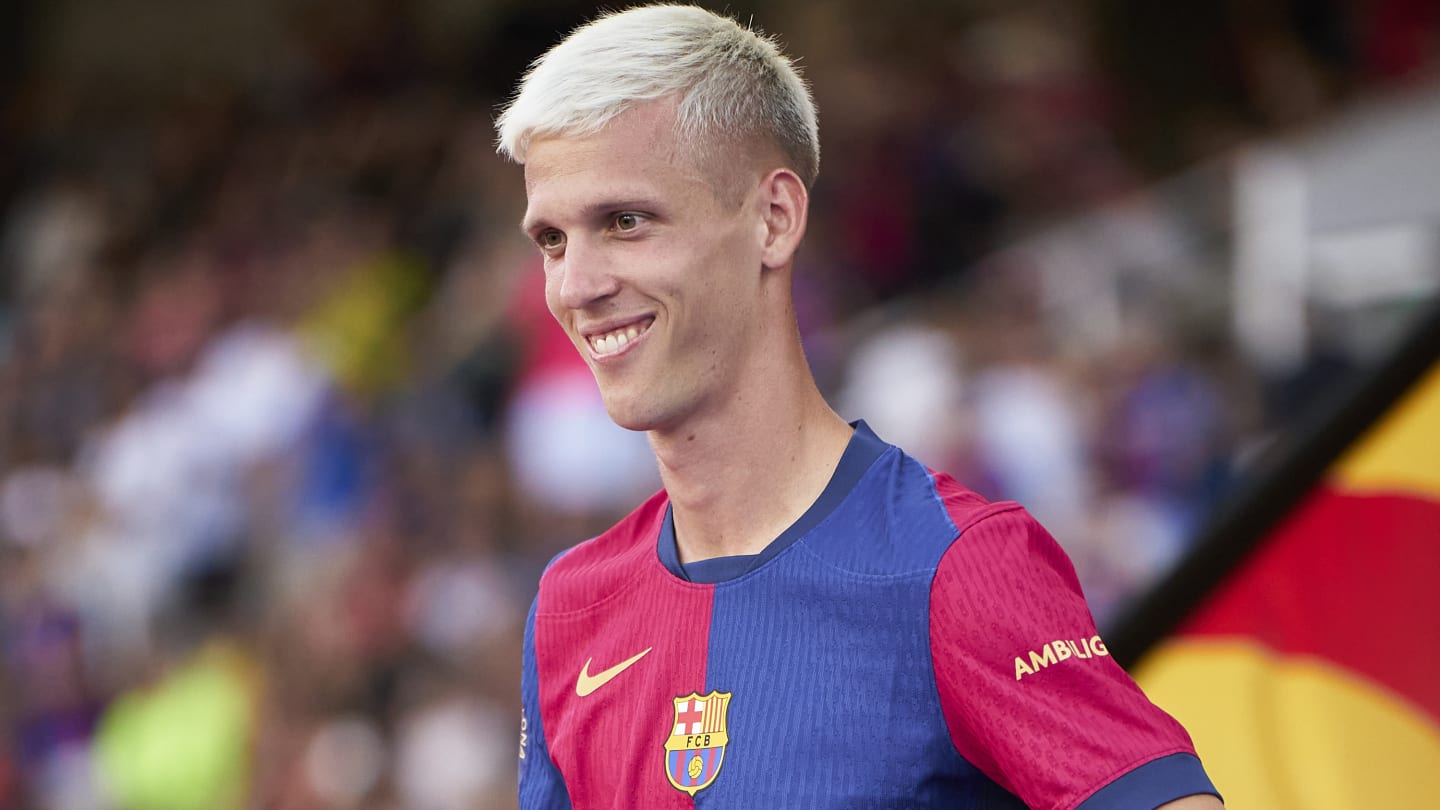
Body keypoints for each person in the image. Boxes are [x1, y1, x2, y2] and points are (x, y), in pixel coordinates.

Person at [496, 5, 1224, 808]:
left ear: (774, 220)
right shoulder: (570, 606)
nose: (574, 286)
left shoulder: (955, 564)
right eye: (552, 240)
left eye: (625, 221)